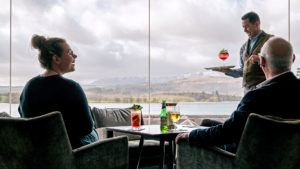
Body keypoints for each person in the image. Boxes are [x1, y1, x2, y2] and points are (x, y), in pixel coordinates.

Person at [176, 37, 299, 153]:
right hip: (285, 155)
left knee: (191, 139)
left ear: (261, 61)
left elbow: (227, 133)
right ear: (292, 59)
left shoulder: (256, 97)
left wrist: (191, 135)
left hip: (248, 157)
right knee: (207, 123)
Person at [19, 35, 98, 149]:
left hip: (38, 155)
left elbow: (24, 119)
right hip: (72, 154)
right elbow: (87, 127)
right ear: (56, 59)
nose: (75, 56)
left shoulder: (29, 87)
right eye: (70, 53)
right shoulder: (72, 88)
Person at [212, 11, 273, 93]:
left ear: (257, 24)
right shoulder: (243, 47)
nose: (244, 30)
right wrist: (227, 71)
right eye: (243, 27)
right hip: (247, 91)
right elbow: (242, 71)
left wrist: (260, 58)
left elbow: (281, 61)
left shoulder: (271, 40)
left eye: (247, 26)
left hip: (265, 90)